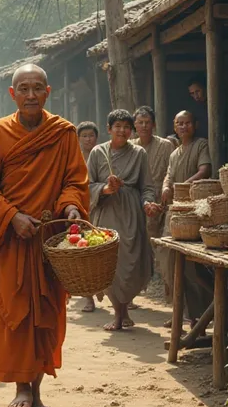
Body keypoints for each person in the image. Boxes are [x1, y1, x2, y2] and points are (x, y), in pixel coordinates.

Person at [0, 64, 88, 407]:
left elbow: (75, 179)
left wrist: (71, 205)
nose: (31, 95)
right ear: (12, 95)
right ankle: (21, 388)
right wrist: (11, 217)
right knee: (16, 313)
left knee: (48, 313)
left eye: (37, 88)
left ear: (48, 92)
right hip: (14, 240)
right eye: (23, 89)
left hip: (51, 239)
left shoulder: (63, 133)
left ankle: (36, 388)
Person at [89, 110, 159, 331]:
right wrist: (106, 189)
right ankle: (119, 314)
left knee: (131, 262)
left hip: (131, 215)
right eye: (117, 126)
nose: (122, 130)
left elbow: (146, 187)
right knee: (110, 264)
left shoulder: (139, 153)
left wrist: (148, 203)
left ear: (132, 130)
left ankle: (125, 309)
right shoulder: (97, 153)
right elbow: (87, 185)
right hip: (107, 213)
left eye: (127, 127)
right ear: (109, 129)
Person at [160, 111, 212, 328]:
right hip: (175, 213)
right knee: (168, 262)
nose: (183, 127)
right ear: (174, 127)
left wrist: (183, 185)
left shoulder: (201, 145)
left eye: (187, 123)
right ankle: (179, 312)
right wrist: (165, 186)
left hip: (194, 211)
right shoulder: (175, 153)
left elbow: (205, 169)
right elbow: (169, 175)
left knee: (191, 268)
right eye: (179, 123)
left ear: (195, 124)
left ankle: (197, 316)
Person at [133, 106, 173, 298]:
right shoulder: (131, 146)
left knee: (163, 252)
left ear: (154, 124)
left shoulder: (165, 146)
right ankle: (133, 292)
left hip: (163, 204)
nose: (144, 125)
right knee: (137, 249)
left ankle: (169, 296)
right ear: (134, 125)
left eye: (147, 122)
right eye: (140, 122)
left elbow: (170, 172)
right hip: (138, 205)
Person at [76, 121, 99, 313]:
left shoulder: (103, 155)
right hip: (80, 210)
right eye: (84, 136)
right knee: (83, 253)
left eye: (91, 135)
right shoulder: (73, 159)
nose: (88, 139)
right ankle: (88, 298)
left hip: (100, 208)